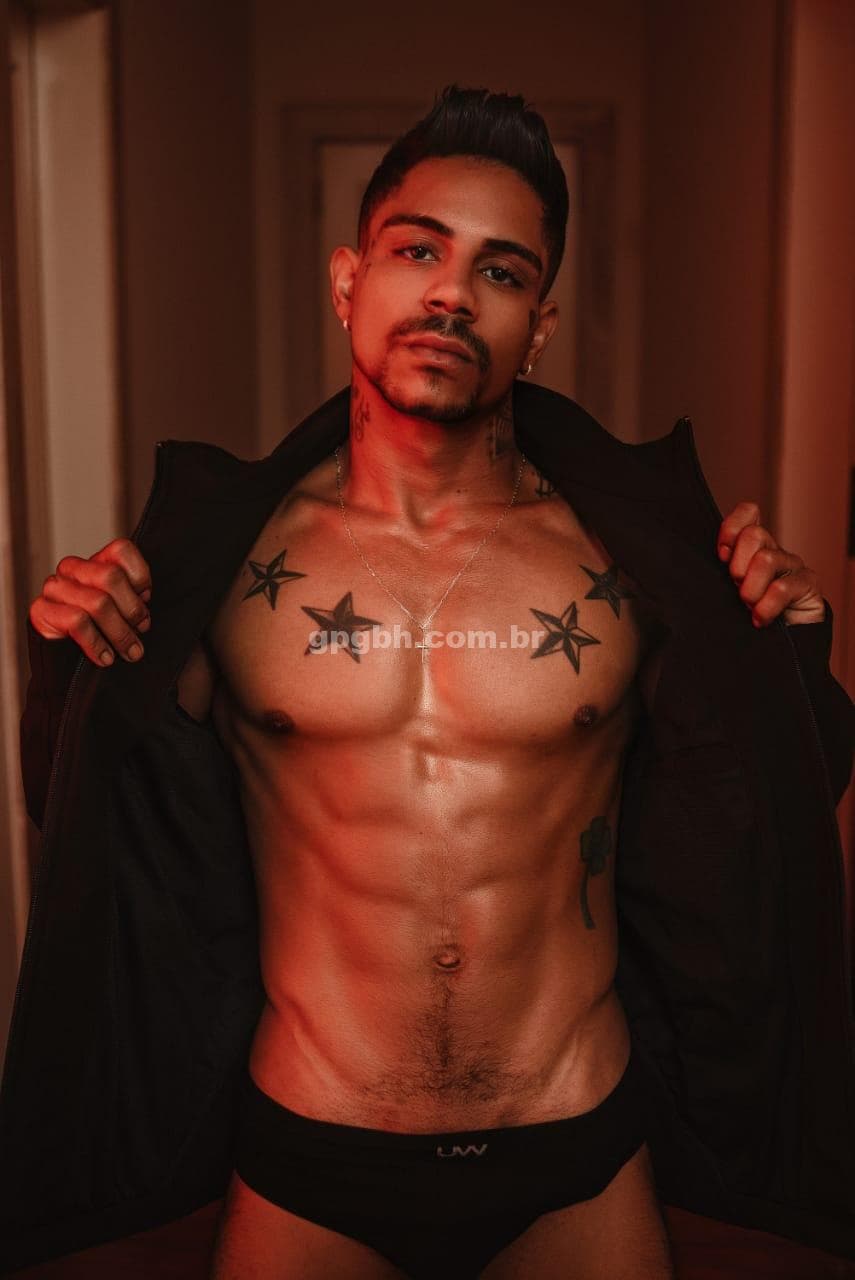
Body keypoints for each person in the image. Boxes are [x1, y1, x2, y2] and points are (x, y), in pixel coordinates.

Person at [2, 87, 853, 1280]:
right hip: (311, 1148)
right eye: (418, 251)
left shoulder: (631, 561)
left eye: (501, 272)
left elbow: (763, 811)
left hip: (576, 1143)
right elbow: (98, 815)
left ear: (537, 326)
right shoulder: (227, 564)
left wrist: (791, 645)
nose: (453, 293)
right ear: (349, 281)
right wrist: (70, 658)